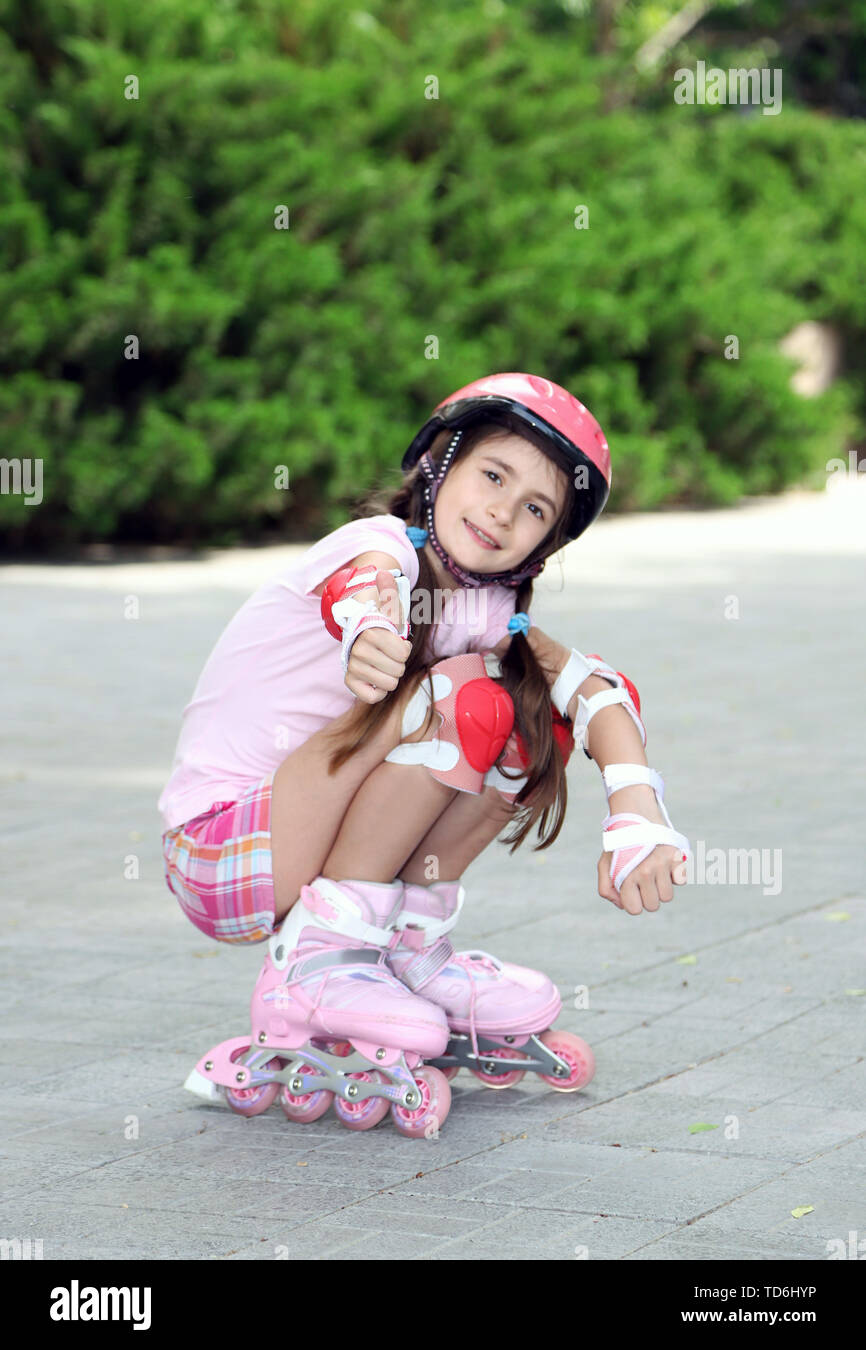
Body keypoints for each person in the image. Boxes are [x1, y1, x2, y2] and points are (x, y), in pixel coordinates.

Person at [160, 372, 690, 1132]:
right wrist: (371, 633)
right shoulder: (376, 549)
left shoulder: (486, 607)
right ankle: (315, 969)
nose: (504, 511)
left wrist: (637, 811)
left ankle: (407, 949)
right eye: (493, 475)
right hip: (223, 850)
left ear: (547, 543)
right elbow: (363, 586)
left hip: (298, 832)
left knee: (532, 716)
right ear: (441, 462)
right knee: (467, 696)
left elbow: (598, 689)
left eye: (535, 507)